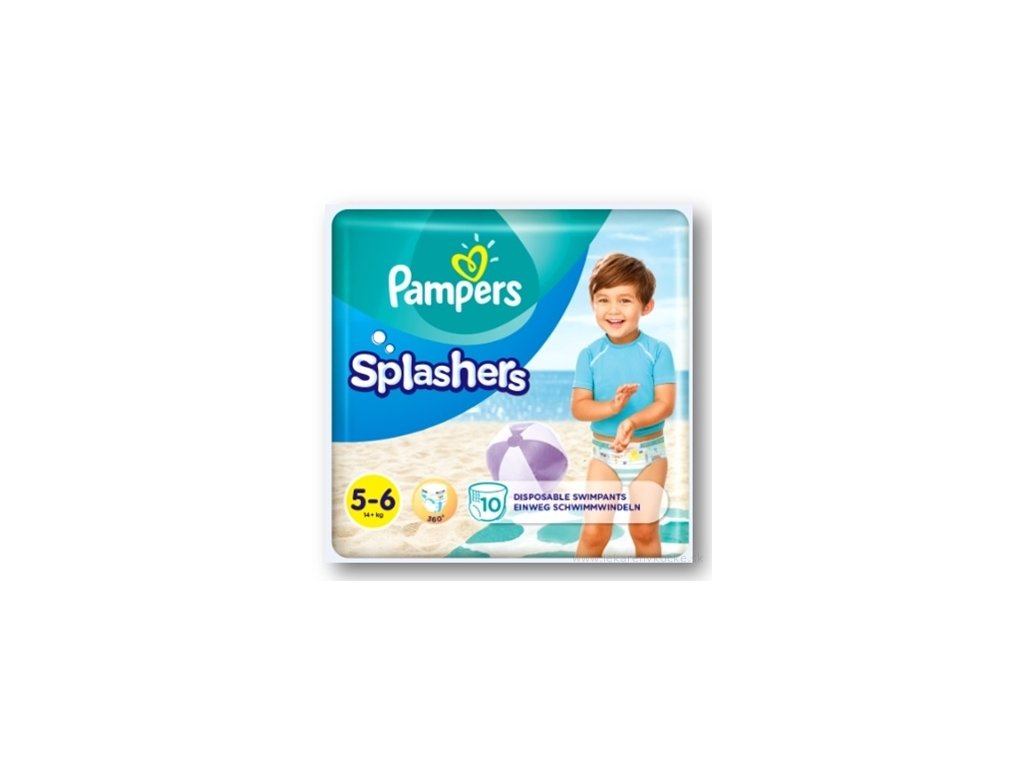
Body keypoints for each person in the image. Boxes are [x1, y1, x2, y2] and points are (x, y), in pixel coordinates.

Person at [571, 253, 676, 557]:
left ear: (647, 306)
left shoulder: (658, 351)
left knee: (643, 530)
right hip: (604, 457)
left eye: (625, 300)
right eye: (603, 300)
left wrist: (631, 422)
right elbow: (580, 407)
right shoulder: (589, 355)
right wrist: (613, 408)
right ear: (592, 304)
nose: (613, 310)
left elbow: (665, 404)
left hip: (649, 455)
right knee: (594, 533)